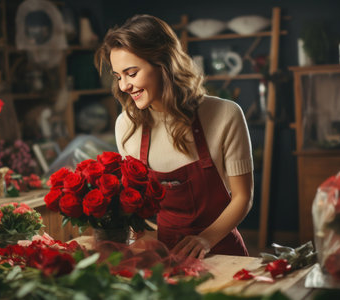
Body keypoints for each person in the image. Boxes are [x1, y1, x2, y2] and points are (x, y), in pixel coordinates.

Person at [95, 14, 253, 258]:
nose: (124, 86)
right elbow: (135, 205)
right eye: (118, 76)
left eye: (132, 73)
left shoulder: (225, 114)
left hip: (222, 251)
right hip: (164, 256)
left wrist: (204, 240)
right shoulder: (126, 125)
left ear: (164, 64)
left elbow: (243, 197)